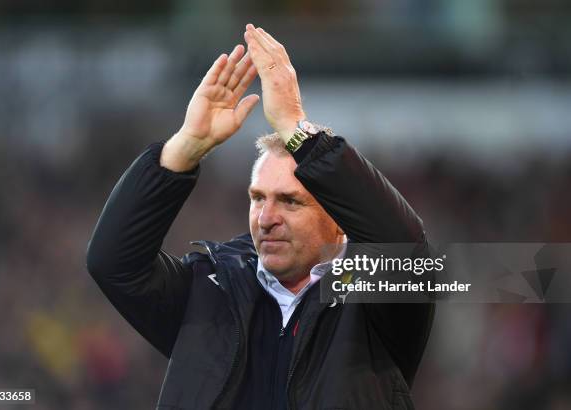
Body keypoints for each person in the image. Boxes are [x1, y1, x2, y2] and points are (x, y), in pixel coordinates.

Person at [86, 23, 434, 410]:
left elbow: (407, 250)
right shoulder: (208, 293)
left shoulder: (373, 300)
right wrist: (184, 148)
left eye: (290, 201)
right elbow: (114, 263)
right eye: (257, 198)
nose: (266, 217)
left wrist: (296, 131)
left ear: (339, 219)